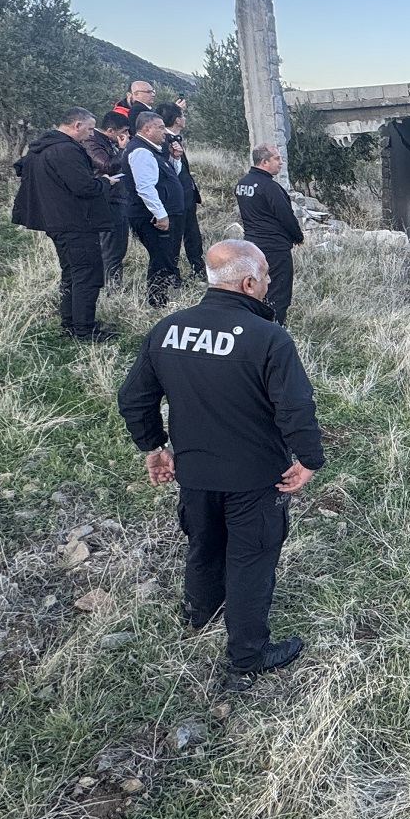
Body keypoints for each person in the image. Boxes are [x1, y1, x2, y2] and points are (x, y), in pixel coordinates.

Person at [118, 240, 323, 691]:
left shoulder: (168, 330)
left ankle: (199, 610)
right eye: (266, 275)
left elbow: (134, 397)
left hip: (194, 472)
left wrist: (154, 445)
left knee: (204, 541)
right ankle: (247, 657)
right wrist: (309, 459)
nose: (269, 282)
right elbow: (295, 408)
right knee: (250, 560)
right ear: (249, 282)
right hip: (255, 477)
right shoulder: (270, 338)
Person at [10, 107, 117, 342]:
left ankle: (71, 323)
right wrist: (106, 183)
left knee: (72, 274)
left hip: (55, 221)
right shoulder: (66, 150)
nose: (91, 135)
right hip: (75, 223)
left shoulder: (40, 147)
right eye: (89, 129)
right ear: (76, 125)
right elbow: (84, 187)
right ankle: (84, 331)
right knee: (87, 276)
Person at [236, 145, 305, 326]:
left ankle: (254, 325)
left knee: (255, 289)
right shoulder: (270, 187)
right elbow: (286, 216)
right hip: (274, 247)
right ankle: (274, 329)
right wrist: (298, 236)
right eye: (277, 158)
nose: (281, 162)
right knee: (278, 291)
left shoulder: (242, 183)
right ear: (264, 162)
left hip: (251, 245)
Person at [123, 110, 183, 307]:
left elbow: (169, 176)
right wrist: (161, 214)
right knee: (160, 258)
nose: (165, 132)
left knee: (165, 256)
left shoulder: (154, 149)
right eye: (160, 127)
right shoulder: (141, 151)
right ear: (147, 129)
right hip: (150, 217)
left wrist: (175, 158)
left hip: (162, 213)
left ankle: (160, 298)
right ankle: (157, 302)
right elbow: (145, 187)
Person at [157, 102, 206, 281]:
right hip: (176, 198)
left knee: (192, 234)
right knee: (175, 236)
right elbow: (168, 172)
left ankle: (197, 267)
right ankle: (173, 274)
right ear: (178, 120)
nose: (184, 119)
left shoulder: (174, 139)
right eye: (182, 116)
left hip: (187, 196)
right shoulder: (165, 143)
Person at [84, 111, 131, 287]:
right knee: (111, 249)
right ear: (111, 130)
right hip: (106, 201)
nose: (126, 135)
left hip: (118, 199)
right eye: (124, 132)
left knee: (119, 247)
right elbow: (107, 166)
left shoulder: (107, 142)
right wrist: (122, 149)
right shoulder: (93, 142)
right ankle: (111, 287)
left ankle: (114, 284)